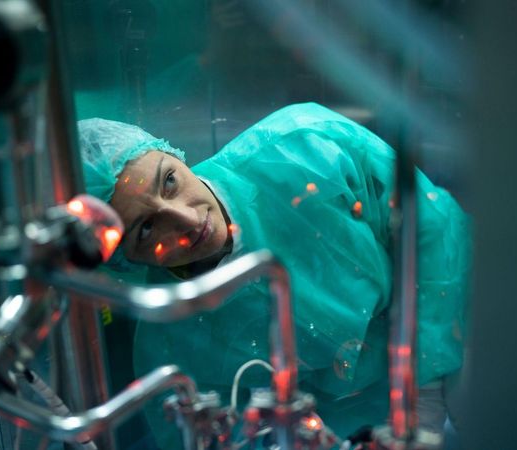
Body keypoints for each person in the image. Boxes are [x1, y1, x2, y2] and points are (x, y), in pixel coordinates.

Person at [79, 103, 471, 447]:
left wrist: (426, 387)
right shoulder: (168, 345)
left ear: (173, 154)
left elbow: (432, 232)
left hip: (455, 322)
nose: (185, 218)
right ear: (123, 259)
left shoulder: (302, 146)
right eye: (146, 228)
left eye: (169, 181)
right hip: (346, 426)